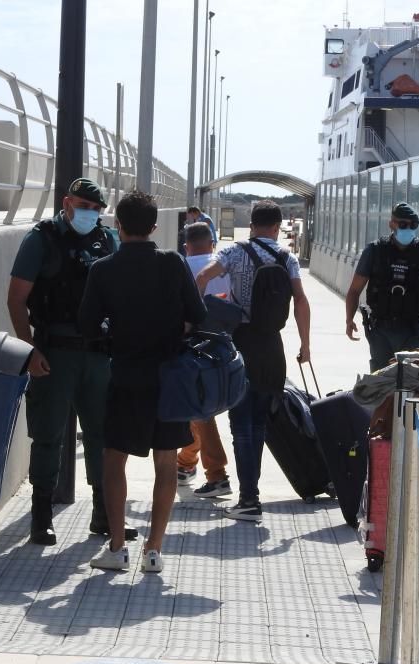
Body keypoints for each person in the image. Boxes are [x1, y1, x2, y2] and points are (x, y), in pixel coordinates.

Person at [78, 191, 207, 573]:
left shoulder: (103, 269)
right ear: (154, 227)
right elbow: (197, 313)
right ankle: (154, 550)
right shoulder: (172, 263)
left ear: (117, 224)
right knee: (166, 462)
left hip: (126, 377)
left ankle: (117, 548)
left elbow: (88, 326)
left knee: (113, 459)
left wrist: (113, 332)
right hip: (169, 379)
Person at [7, 177, 135, 546]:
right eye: (83, 206)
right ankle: (41, 517)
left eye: (96, 209)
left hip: (98, 356)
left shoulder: (107, 240)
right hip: (54, 354)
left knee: (103, 438)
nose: (89, 214)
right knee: (47, 437)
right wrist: (29, 349)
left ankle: (103, 516)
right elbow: (16, 298)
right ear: (66, 203)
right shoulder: (41, 239)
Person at [196, 200, 312, 522]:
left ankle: (249, 499)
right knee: (259, 424)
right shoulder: (287, 258)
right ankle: (251, 496)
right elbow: (301, 300)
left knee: (241, 425)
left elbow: (204, 276)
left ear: (252, 225)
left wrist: (198, 317)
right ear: (276, 227)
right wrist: (305, 344)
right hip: (272, 348)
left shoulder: (235, 252)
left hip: (242, 344)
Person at [345, 202, 419, 371]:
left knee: (413, 381)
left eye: (413, 225)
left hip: (412, 330)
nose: (408, 229)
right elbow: (354, 290)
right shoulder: (374, 251)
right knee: (381, 385)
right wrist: (349, 319)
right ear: (391, 223)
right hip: (381, 330)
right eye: (403, 224)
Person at [175, 222, 233, 496]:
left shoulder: (180, 268)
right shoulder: (224, 267)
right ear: (212, 244)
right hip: (225, 347)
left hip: (192, 349)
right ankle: (186, 463)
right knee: (197, 410)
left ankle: (217, 474)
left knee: (199, 408)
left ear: (187, 245)